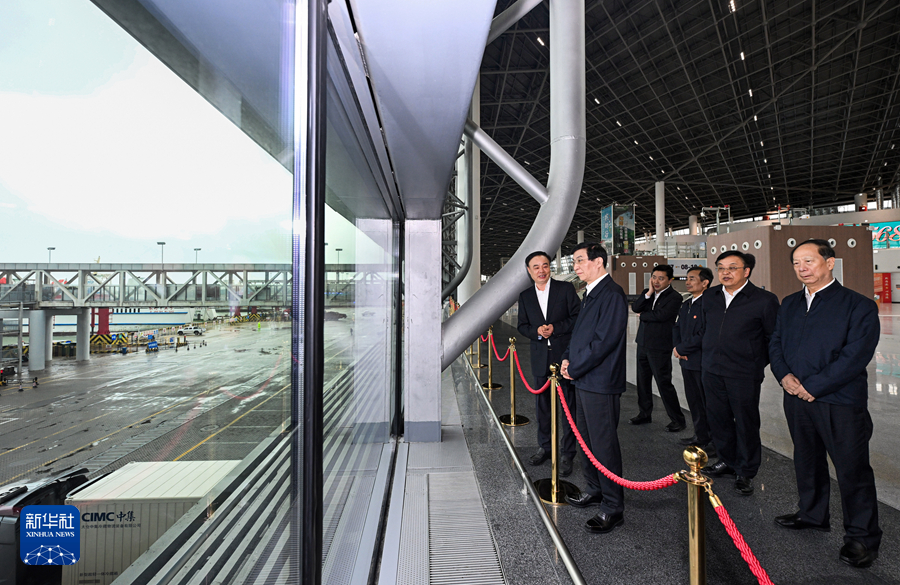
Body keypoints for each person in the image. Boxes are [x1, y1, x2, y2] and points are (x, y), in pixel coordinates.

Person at [769, 239, 881, 568]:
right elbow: (776, 343)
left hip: (840, 401)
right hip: (796, 398)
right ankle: (813, 514)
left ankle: (862, 537)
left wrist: (814, 386)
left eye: (809, 261)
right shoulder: (790, 303)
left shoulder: (858, 305)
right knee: (807, 459)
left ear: (829, 263)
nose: (802, 268)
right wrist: (783, 375)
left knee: (852, 469)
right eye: (796, 263)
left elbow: (855, 355)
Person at [560, 243, 627, 534]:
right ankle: (595, 489)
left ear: (598, 261)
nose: (575, 267)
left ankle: (613, 507)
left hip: (600, 381)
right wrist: (566, 358)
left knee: (603, 445)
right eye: (574, 261)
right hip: (583, 379)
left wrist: (574, 367)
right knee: (585, 440)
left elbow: (603, 342)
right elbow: (578, 335)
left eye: (580, 260)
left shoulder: (611, 294)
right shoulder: (589, 293)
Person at [700, 251, 779, 496]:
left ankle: (746, 470)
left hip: (744, 373)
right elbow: (704, 329)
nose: (725, 272)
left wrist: (755, 363)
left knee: (745, 422)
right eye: (721, 267)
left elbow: (773, 338)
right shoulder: (710, 296)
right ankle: (727, 460)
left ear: (746, 271)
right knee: (718, 419)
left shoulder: (764, 300)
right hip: (712, 370)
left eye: (732, 267)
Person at [517, 251, 581, 476]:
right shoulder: (525, 296)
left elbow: (577, 317)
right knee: (543, 407)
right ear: (529, 271)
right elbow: (522, 326)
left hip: (564, 357)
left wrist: (556, 328)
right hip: (540, 358)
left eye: (545, 265)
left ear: (550, 267)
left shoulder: (565, 289)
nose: (541, 270)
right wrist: (536, 332)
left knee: (568, 407)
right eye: (536, 267)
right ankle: (545, 447)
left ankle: (568, 453)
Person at [629, 264, 685, 431]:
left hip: (660, 346)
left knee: (663, 383)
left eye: (661, 278)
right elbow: (635, 308)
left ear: (670, 280)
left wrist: (643, 316)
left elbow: (662, 316)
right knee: (642, 381)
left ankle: (677, 420)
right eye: (654, 277)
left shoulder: (675, 297)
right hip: (643, 343)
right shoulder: (648, 293)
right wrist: (648, 294)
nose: (656, 281)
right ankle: (644, 414)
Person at [672, 266, 715, 454]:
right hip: (686, 360)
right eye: (687, 278)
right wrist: (677, 347)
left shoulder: (709, 304)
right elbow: (677, 327)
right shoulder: (687, 304)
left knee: (707, 403)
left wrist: (683, 348)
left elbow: (705, 332)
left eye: (692, 279)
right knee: (694, 401)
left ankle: (713, 440)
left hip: (701, 361)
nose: (687, 282)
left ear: (705, 283)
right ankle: (700, 435)